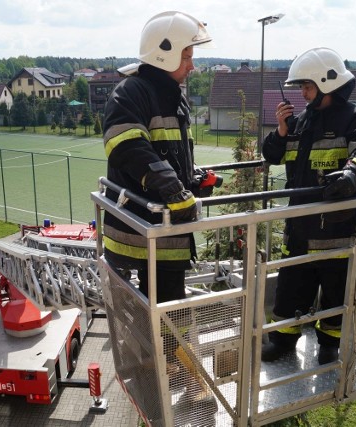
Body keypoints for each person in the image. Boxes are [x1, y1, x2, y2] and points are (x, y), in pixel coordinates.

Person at [102, 10, 219, 414]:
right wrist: (174, 190)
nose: (192, 63)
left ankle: (176, 373)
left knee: (172, 311)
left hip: (165, 234)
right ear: (165, 53)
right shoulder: (132, 92)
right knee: (149, 316)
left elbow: (165, 154)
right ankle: (168, 376)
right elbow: (127, 145)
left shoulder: (170, 94)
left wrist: (191, 179)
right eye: (187, 55)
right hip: (139, 237)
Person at [261, 47, 356, 365]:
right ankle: (283, 339)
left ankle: (330, 343)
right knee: (291, 288)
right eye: (301, 87)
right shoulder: (301, 121)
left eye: (307, 87)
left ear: (326, 83)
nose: (302, 94)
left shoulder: (355, 118)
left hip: (337, 229)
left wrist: (351, 174)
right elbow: (272, 155)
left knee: (336, 289)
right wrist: (281, 131)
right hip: (300, 227)